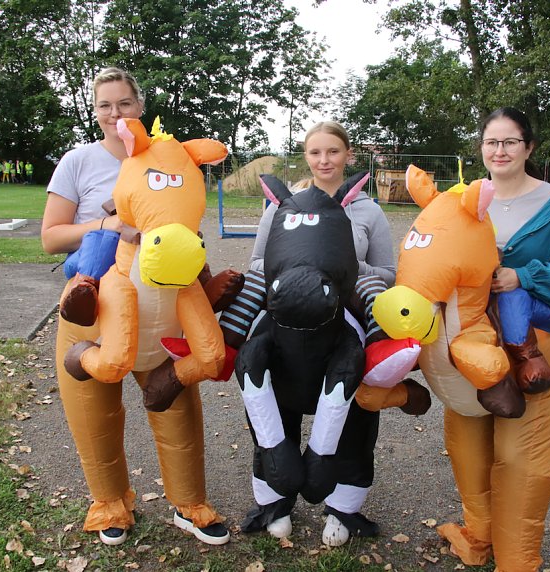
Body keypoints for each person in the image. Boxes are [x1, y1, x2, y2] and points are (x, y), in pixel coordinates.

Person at [40, 66, 230, 548]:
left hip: (164, 302)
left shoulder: (166, 156)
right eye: (105, 104)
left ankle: (189, 503)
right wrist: (107, 227)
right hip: (95, 305)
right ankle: (109, 503)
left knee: (176, 405)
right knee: (93, 411)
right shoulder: (78, 161)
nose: (114, 113)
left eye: (123, 103)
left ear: (139, 108)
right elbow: (50, 237)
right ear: (95, 110)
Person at [222, 121, 409, 546]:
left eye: (333, 152)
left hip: (344, 319)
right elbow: (258, 262)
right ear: (305, 156)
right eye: (315, 152)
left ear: (348, 156)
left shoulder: (367, 210)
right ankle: (275, 499)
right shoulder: (280, 206)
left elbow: (389, 271)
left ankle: (344, 506)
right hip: (287, 319)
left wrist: (337, 267)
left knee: (355, 418)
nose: (324, 160)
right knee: (272, 412)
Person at [437, 107, 550, 571]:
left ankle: (518, 558)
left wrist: (523, 275)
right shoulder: (458, 199)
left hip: (531, 346)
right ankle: (478, 536)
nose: (499, 151)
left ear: (529, 148)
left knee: (521, 455)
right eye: (491, 142)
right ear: (481, 147)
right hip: (468, 342)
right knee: (467, 441)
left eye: (509, 142)